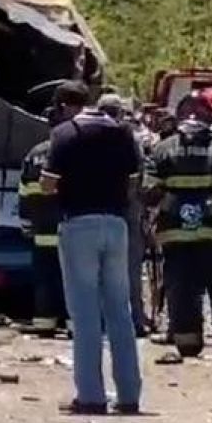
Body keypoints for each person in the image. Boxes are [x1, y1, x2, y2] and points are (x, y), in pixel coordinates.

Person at [40, 81, 142, 415]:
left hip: (79, 224)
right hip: (115, 224)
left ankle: (91, 396)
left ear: (63, 106)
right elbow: (132, 182)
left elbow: (48, 184)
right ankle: (129, 395)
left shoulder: (64, 135)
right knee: (120, 311)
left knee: (85, 313)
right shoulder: (122, 132)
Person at [145, 93, 212, 359]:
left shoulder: (162, 147)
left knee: (181, 290)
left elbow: (148, 191)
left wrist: (175, 206)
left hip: (176, 235)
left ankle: (187, 343)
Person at [95, 92, 149, 337]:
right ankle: (134, 319)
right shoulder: (128, 138)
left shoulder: (85, 136)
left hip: (95, 209)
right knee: (129, 269)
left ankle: (100, 320)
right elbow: (137, 175)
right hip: (125, 211)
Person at [19, 107, 67, 337]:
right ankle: (72, 323)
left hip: (42, 230)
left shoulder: (34, 153)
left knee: (45, 278)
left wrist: (27, 223)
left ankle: (44, 324)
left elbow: (24, 191)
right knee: (70, 278)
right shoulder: (70, 150)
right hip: (68, 228)